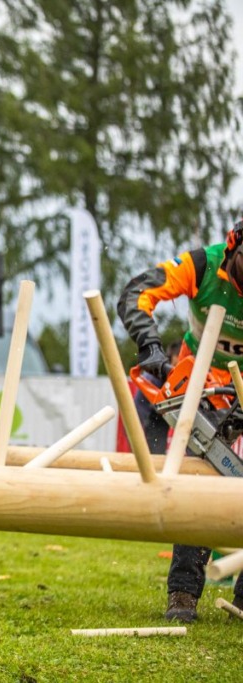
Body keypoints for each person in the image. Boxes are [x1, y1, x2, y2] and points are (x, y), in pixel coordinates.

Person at [117, 221, 243, 622]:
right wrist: (149, 343)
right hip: (201, 383)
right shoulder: (203, 265)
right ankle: (184, 593)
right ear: (234, 250)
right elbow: (137, 291)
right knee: (201, 481)